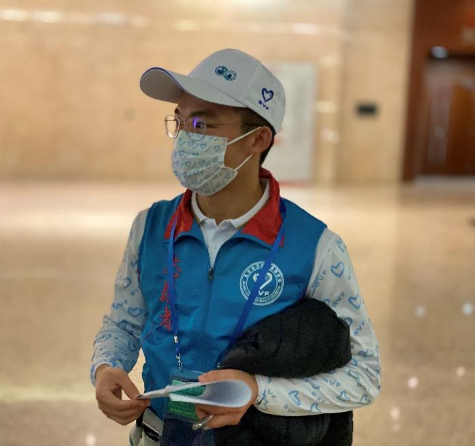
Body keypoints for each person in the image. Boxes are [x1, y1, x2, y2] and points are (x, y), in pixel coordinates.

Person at [91, 49, 381, 446]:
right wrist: (106, 366)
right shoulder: (151, 227)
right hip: (159, 436)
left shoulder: (316, 248)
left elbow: (363, 375)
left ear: (257, 139)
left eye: (201, 123)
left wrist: (259, 391)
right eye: (180, 121)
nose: (185, 137)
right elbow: (123, 322)